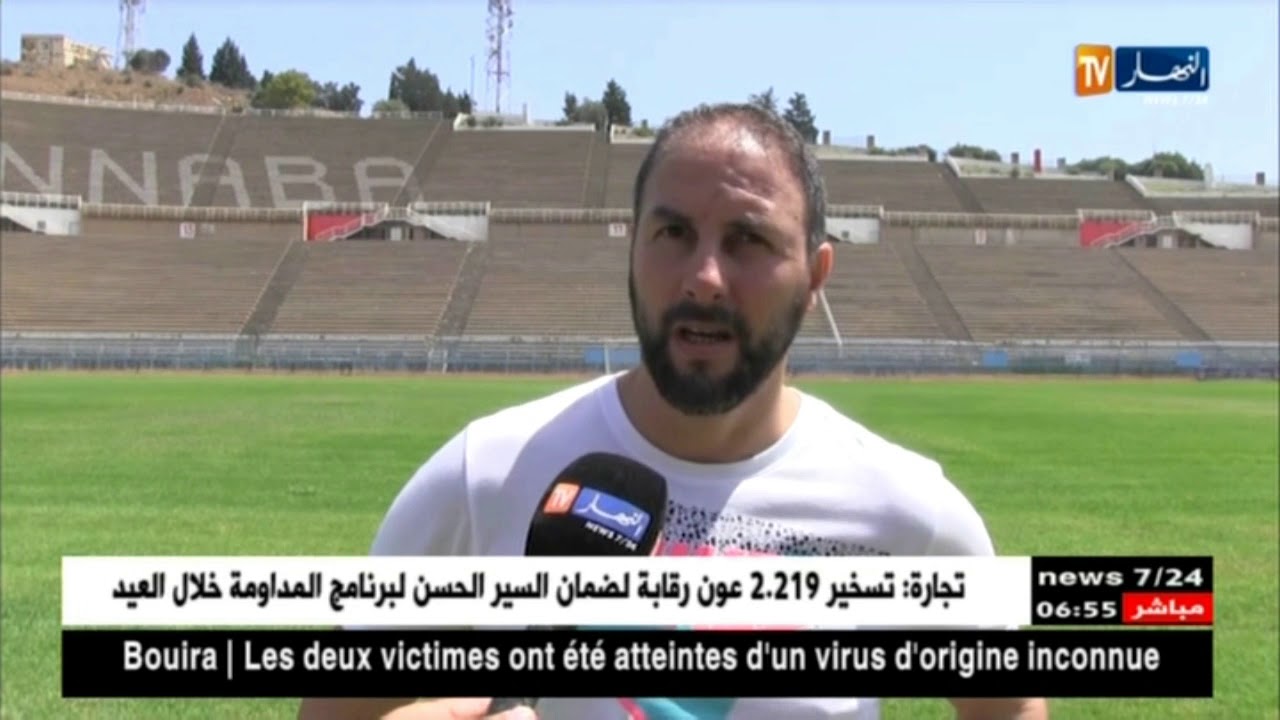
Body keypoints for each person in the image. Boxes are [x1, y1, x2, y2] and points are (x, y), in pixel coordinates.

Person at [298, 102, 1049, 720]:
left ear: (815, 276)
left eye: (749, 239)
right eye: (673, 234)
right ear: (632, 250)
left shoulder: (910, 512)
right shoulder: (484, 474)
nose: (705, 277)